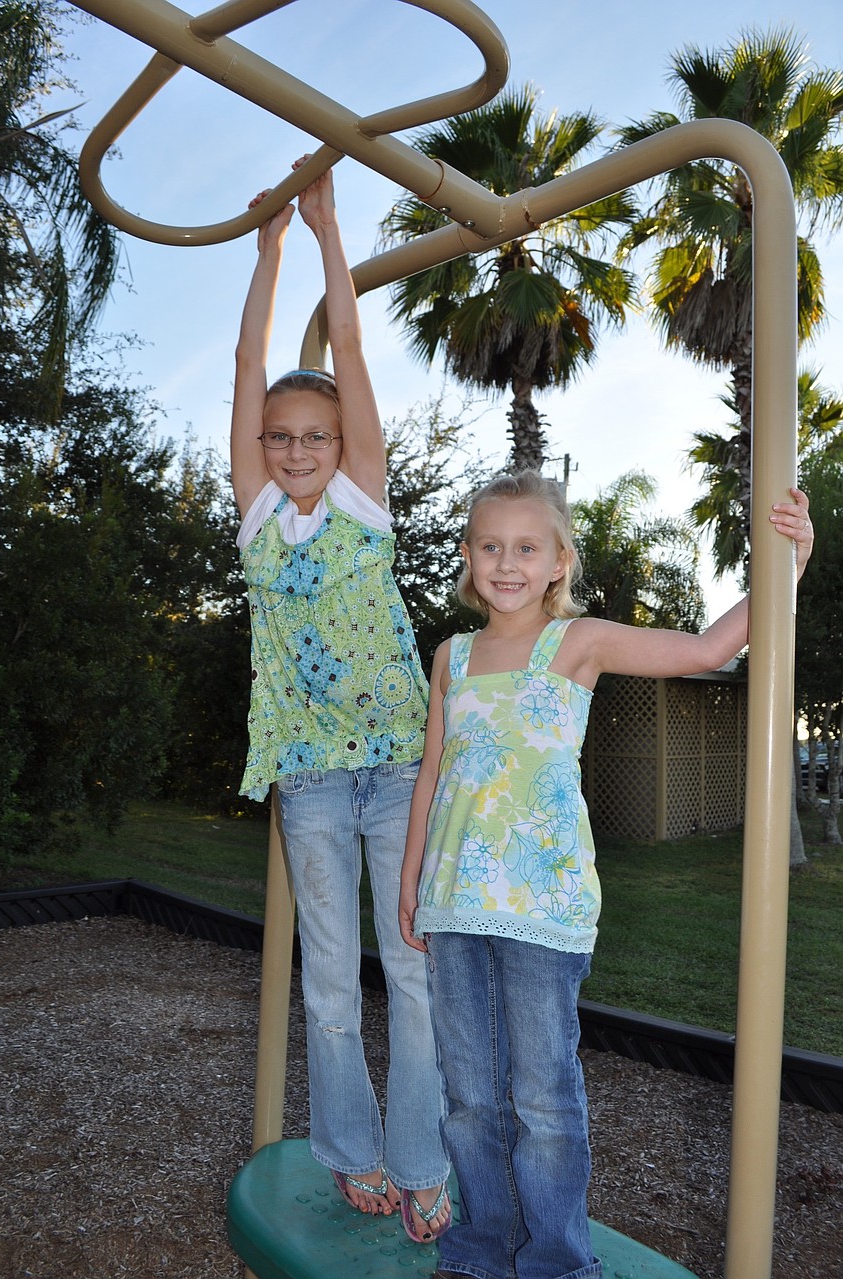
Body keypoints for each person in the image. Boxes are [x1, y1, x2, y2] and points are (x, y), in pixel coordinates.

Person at [399, 469, 814, 1279]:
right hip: (454, 905)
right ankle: (481, 1249)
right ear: (467, 554)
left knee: (545, 1101)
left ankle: (557, 1262)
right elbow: (431, 776)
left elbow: (706, 647)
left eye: (527, 547)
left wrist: (787, 567)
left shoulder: (577, 642)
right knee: (470, 1096)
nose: (507, 562)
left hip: (542, 909)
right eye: (491, 545)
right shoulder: (449, 656)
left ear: (559, 559)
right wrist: (412, 879)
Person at [231, 156, 449, 1241]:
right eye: (282, 437)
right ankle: (352, 1155)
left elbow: (349, 352)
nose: (299, 448)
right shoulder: (259, 518)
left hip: (399, 763)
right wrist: (267, 254)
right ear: (263, 454)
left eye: (314, 434)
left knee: (409, 968)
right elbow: (246, 365)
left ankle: (422, 1161)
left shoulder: (363, 501)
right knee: (329, 977)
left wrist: (327, 235)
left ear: (341, 447)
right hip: (312, 777)